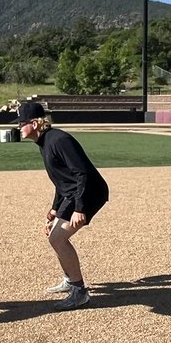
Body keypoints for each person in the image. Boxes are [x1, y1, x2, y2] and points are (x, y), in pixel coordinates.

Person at [15, 101, 109, 310]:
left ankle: (79, 291)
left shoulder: (58, 140)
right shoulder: (44, 142)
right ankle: (70, 280)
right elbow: (62, 180)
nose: (19, 127)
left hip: (90, 193)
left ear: (36, 123)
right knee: (53, 235)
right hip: (73, 193)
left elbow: (81, 173)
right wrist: (54, 210)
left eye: (22, 122)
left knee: (58, 237)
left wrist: (80, 208)